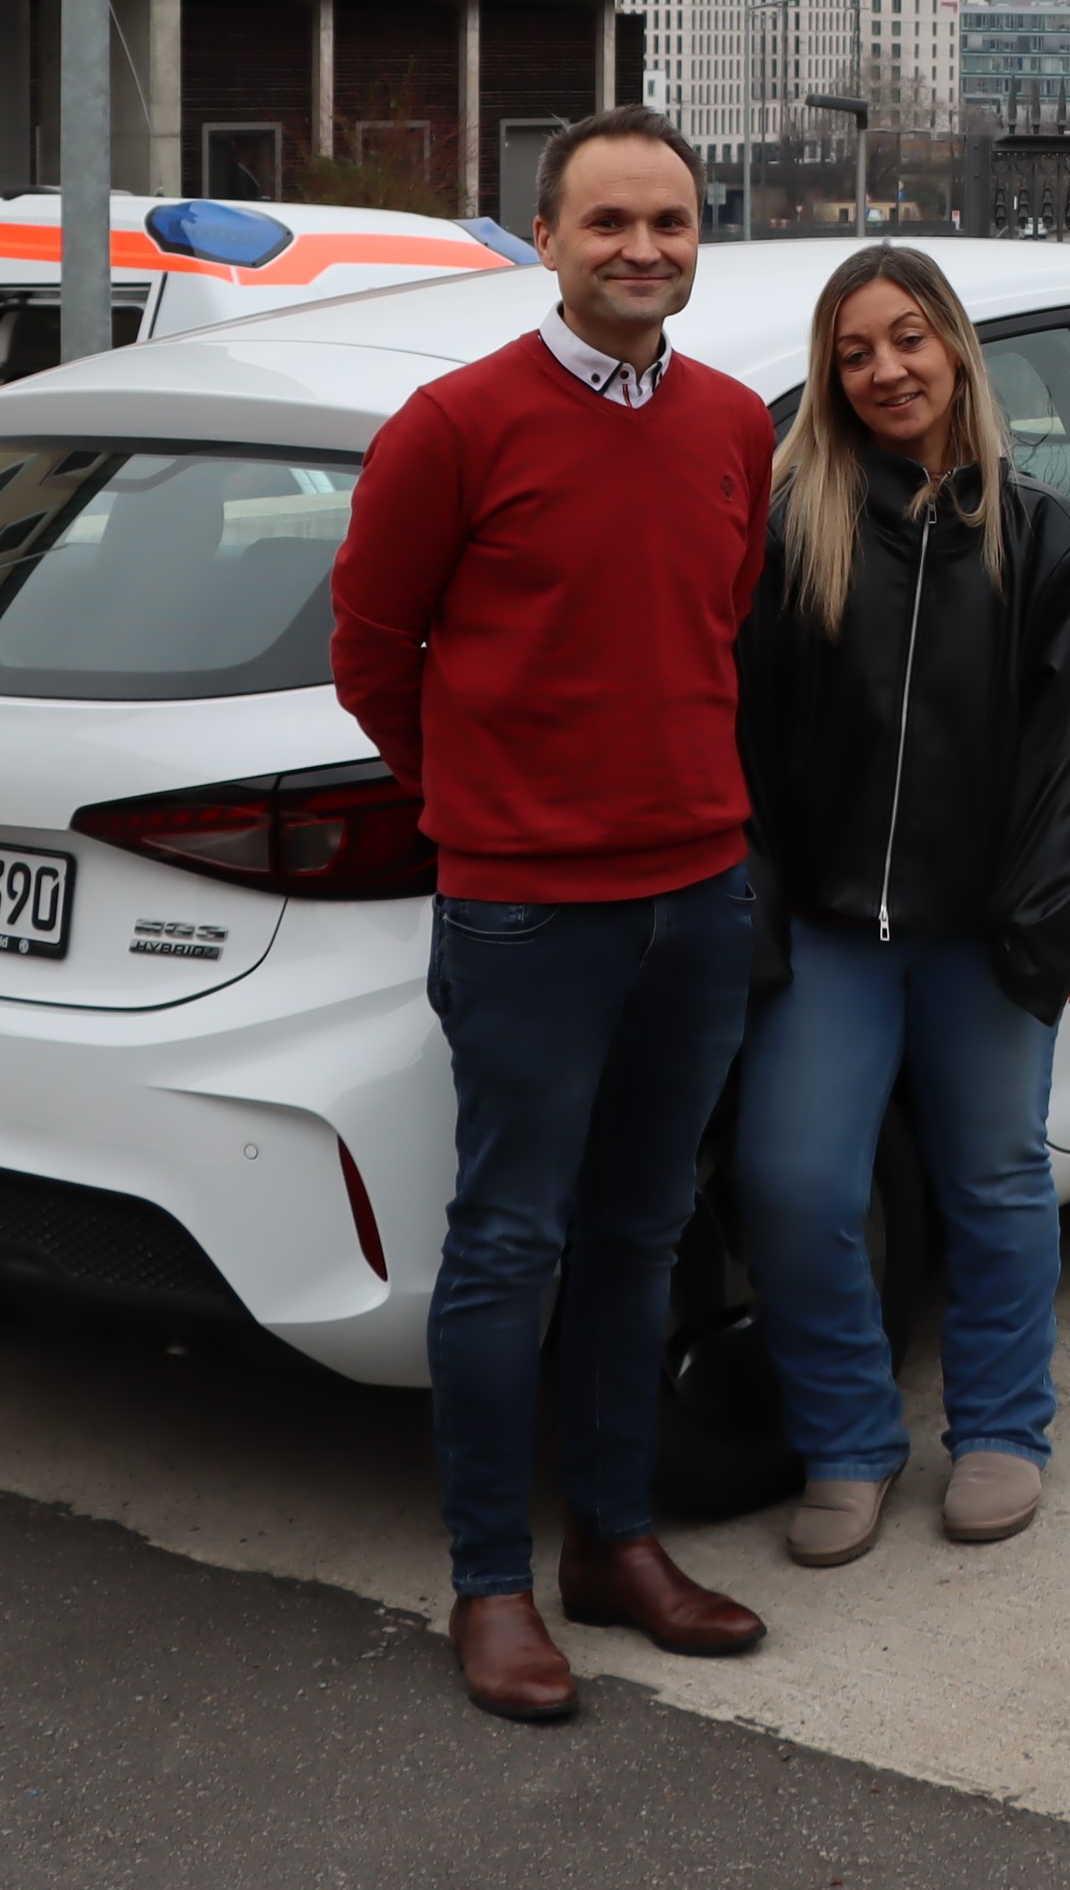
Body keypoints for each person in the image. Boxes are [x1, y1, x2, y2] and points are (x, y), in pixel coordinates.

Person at [328, 105, 777, 1721]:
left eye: (670, 220)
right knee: (508, 1244)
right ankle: (489, 1582)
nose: (643, 248)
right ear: (548, 236)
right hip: (526, 911)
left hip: (699, 897)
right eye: (610, 222)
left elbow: (707, 628)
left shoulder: (735, 425)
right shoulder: (453, 427)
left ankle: (614, 1541)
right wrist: (493, 803)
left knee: (643, 1235)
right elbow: (373, 659)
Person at [733, 244, 1070, 1569]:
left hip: (980, 925)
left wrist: (1039, 927)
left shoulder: (1045, 533)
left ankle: (1002, 1430)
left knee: (995, 1178)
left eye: (906, 339)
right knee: (791, 1182)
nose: (884, 368)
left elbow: (1055, 757)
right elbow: (752, 747)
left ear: (953, 348)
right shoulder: (790, 532)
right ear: (830, 380)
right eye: (853, 351)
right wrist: (761, 914)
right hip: (829, 927)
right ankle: (846, 1440)